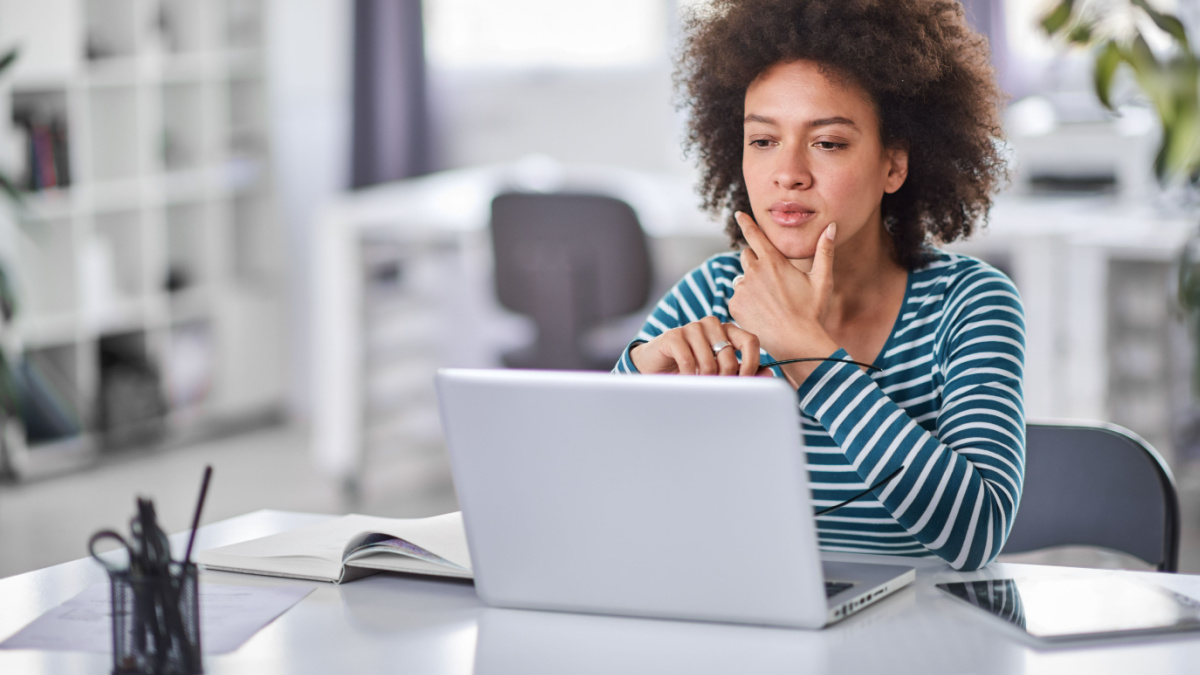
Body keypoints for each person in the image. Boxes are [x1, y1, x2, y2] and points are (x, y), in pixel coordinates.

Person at [613, 0, 1024, 571]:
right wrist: (639, 374)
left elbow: (976, 531)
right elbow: (597, 490)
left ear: (893, 165)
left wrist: (804, 351)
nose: (788, 172)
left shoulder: (969, 304)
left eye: (827, 142)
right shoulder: (711, 292)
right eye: (763, 141)